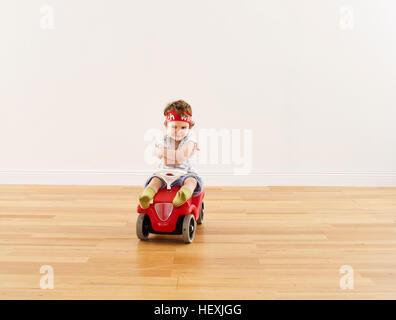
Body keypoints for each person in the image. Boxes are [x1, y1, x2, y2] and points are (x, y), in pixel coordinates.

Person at [138, 100, 203, 209]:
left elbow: (181, 158)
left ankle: (183, 195)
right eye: (174, 127)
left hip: (185, 173)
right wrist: (174, 156)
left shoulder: (190, 139)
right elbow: (164, 160)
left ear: (189, 127)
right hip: (164, 173)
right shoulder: (162, 138)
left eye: (183, 127)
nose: (179, 131)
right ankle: (146, 196)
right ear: (166, 125)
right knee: (155, 180)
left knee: (192, 181)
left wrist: (164, 152)